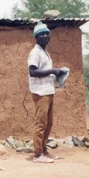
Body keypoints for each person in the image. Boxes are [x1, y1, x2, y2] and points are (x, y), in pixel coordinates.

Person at [28, 22, 67, 163]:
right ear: (36, 38)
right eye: (41, 34)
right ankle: (37, 154)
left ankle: (44, 150)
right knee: (40, 123)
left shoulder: (45, 52)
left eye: (46, 33)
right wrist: (52, 71)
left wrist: (58, 73)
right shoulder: (35, 52)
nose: (44, 36)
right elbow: (32, 72)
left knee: (48, 123)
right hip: (40, 92)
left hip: (48, 91)